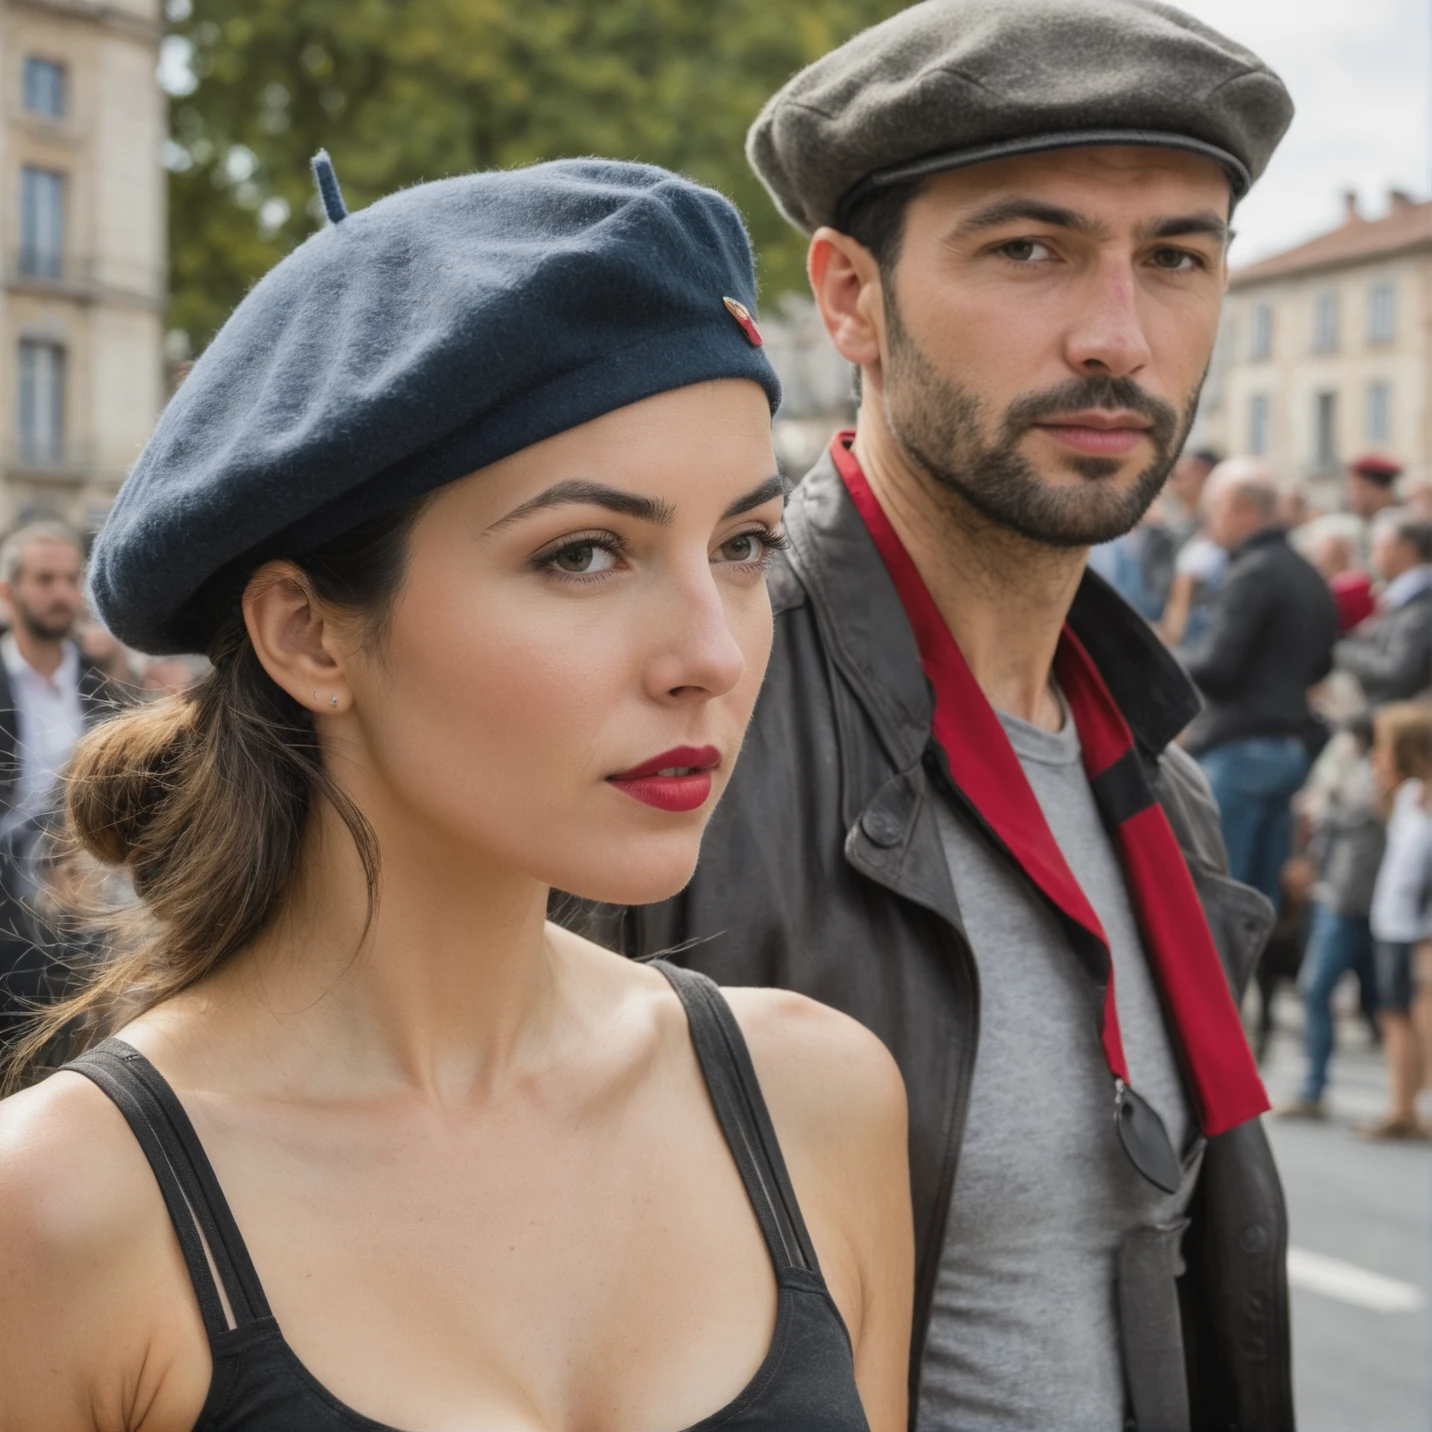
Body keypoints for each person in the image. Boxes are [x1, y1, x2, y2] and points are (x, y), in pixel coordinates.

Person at [0, 158, 912, 1431]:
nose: (710, 653)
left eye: (743, 544)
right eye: (583, 553)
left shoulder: (819, 1099)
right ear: (309, 634)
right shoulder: (61, 1210)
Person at [573, 2, 1299, 1427]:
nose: (1116, 336)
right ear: (848, 297)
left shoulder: (1161, 780)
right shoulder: (684, 726)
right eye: (1030, 249)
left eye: (1176, 259)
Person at [1183, 459, 1339, 908]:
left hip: (1240, 750)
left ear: (1242, 508)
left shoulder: (1253, 572)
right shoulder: (1308, 573)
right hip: (1290, 749)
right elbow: (1322, 664)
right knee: (1255, 903)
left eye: (1214, 508)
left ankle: (1219, 983)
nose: (1210, 521)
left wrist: (1166, 658)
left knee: (1216, 894)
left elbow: (1218, 668)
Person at [0, 521, 119, 1046]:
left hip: (78, 869)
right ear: (9, 591)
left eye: (71, 580)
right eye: (45, 579)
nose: (61, 594)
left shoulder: (100, 681)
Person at [1278, 711, 1384, 1118]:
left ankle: (1401, 1102)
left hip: (1358, 902)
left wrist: (1331, 805)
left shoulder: (1384, 781)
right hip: (1336, 897)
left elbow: (1353, 815)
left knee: (1383, 1004)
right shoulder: (1348, 765)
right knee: (1321, 990)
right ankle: (1313, 1088)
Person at [1362, 701, 1432, 1139]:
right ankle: (1401, 1105)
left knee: (1418, 1014)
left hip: (1418, 930)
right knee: (1393, 1013)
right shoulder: (1406, 797)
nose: (1376, 757)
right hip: (1391, 921)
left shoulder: (1424, 803)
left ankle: (1416, 1106)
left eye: (1383, 748)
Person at [1334, 508, 1432, 706]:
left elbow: (1397, 670)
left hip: (1403, 720)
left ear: (1405, 550)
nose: (1373, 556)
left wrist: (1342, 650)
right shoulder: (1404, 598)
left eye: (1379, 547)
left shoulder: (1421, 604)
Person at [1345, 452, 1402, 525]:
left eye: (1357, 488)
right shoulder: (1362, 524)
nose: (1351, 498)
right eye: (1349, 490)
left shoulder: (1405, 525)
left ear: (1379, 490)